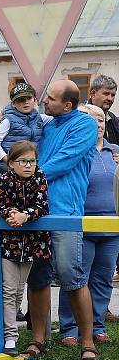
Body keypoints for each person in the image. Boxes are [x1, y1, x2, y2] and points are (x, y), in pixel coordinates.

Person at [24, 79, 99, 360]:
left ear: (67, 104)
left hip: (65, 212)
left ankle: (88, 342)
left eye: (51, 98)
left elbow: (64, 161)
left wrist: (27, 175)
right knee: (38, 277)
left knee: (72, 276)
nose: (45, 101)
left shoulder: (84, 125)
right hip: (36, 213)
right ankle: (39, 339)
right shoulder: (47, 125)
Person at [57, 105, 119, 346]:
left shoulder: (115, 152)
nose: (99, 125)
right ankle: (69, 328)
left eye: (102, 120)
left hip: (112, 226)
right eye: (92, 121)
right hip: (81, 225)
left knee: (103, 279)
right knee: (75, 279)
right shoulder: (76, 152)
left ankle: (98, 326)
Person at [0, 141, 50, 357]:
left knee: (19, 290)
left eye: (32, 161)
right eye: (23, 161)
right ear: (11, 163)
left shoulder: (40, 178)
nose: (29, 165)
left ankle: (11, 331)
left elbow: (42, 206)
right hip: (9, 243)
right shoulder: (5, 180)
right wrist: (12, 213)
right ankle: (10, 337)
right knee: (8, 289)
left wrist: (25, 215)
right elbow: (2, 204)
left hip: (32, 244)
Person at [0, 83, 52, 172]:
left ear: (35, 100)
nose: (26, 102)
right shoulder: (8, 121)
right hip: (11, 170)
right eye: (21, 100)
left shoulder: (40, 118)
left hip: (30, 167)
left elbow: (60, 119)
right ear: (13, 103)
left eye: (29, 98)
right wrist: (8, 160)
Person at [87, 74, 119, 145]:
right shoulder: (81, 118)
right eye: (106, 94)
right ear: (93, 94)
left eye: (113, 95)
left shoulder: (115, 121)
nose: (110, 98)